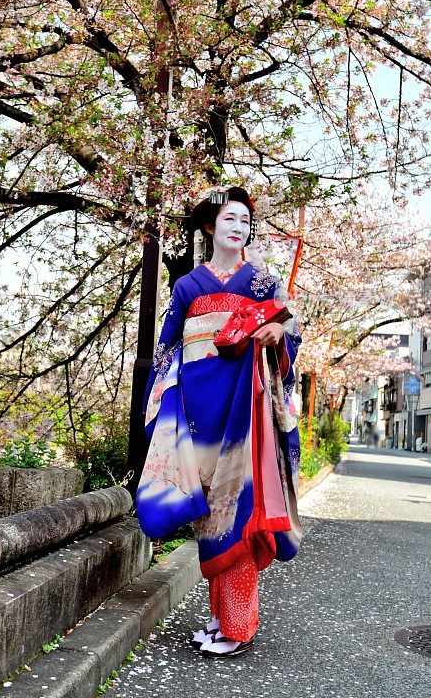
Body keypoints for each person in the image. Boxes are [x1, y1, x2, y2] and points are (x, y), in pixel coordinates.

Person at [136, 186, 303, 658]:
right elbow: (168, 349)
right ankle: (219, 615)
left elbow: (292, 336)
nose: (239, 226)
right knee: (209, 511)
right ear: (210, 227)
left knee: (240, 511)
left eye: (246, 220)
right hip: (198, 406)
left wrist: (276, 334)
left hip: (244, 407)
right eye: (229, 218)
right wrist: (165, 403)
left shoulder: (263, 282)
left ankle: (237, 626)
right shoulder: (188, 286)